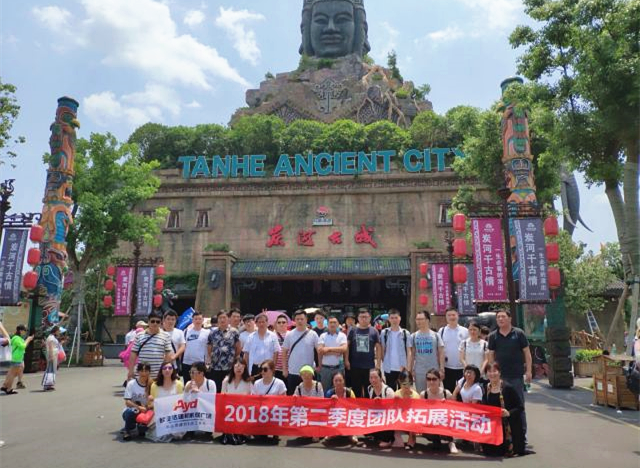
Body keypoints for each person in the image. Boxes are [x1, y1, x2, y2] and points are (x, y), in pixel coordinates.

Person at [487, 309, 532, 437]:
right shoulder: (493, 336)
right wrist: (491, 373)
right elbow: (490, 355)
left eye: (503, 317)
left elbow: (527, 353)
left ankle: (521, 434)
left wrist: (529, 371)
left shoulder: (519, 333)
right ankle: (502, 434)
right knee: (499, 405)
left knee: (518, 405)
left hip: (516, 376)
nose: (500, 319)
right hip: (499, 377)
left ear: (510, 318)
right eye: (498, 317)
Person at [482, 362, 526, 457]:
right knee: (488, 451)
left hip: (508, 426)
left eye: (495, 371)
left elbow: (520, 407)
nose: (492, 374)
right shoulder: (486, 388)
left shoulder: (508, 388)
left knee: (502, 451)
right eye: (489, 371)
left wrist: (508, 413)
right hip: (493, 425)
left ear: (500, 372)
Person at [420, 368, 458, 454]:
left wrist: (446, 405)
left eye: (434, 379)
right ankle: (436, 440)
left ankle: (451, 442)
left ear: (439, 380)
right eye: (429, 379)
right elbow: (421, 411)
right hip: (431, 422)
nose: (431, 382)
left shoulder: (446, 393)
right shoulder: (423, 394)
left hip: (444, 421)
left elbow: (454, 409)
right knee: (436, 446)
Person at [345, 308, 381, 397]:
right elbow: (347, 346)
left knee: (369, 390)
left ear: (370, 318)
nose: (364, 319)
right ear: (358, 318)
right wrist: (346, 360)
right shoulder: (352, 330)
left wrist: (378, 364)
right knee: (356, 390)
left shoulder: (374, 331)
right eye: (361, 317)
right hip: (355, 366)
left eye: (366, 317)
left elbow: (378, 347)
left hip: (369, 366)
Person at [146, 361, 185, 442]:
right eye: (165, 368)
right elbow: (152, 405)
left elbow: (182, 402)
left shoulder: (179, 384)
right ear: (161, 370)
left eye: (170, 368)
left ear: (173, 370)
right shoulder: (155, 385)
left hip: (174, 414)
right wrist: (151, 400)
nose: (167, 370)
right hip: (160, 415)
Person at [282, 309, 319, 395]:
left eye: (302, 319)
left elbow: (319, 351)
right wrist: (284, 369)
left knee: (308, 397)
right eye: (297, 319)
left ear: (306, 320)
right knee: (293, 396)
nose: (299, 321)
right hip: (293, 371)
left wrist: (319, 365)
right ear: (294, 321)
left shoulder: (313, 334)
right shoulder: (289, 334)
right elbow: (284, 352)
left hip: (308, 372)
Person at [128, 312, 172, 379]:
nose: (155, 323)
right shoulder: (139, 335)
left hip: (158, 374)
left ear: (161, 323)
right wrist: (131, 370)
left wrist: (165, 371)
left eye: (157, 322)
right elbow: (133, 354)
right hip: (141, 373)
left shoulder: (166, 336)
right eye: (152, 321)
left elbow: (168, 355)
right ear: (148, 322)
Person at [220, 358, 253, 445]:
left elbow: (251, 398)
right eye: (237, 366)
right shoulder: (226, 380)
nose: (239, 369)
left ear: (245, 368)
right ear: (233, 367)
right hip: (229, 410)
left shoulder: (248, 382)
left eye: (241, 367)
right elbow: (222, 396)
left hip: (243, 411)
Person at [410, 310, 445, 393]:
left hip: (434, 370)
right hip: (419, 371)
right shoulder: (413, 336)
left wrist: (441, 369)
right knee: (421, 393)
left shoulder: (436, 335)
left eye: (421, 319)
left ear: (427, 320)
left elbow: (441, 352)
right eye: (417, 319)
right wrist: (410, 370)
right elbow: (412, 354)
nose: (418, 321)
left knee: (434, 393)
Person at [208, 309, 241, 392]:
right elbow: (209, 348)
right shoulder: (213, 333)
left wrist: (232, 358)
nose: (222, 320)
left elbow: (238, 348)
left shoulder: (234, 332)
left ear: (228, 318)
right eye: (220, 318)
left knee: (228, 390)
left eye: (224, 317)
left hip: (229, 366)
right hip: (216, 366)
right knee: (217, 389)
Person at [380, 309, 413, 390]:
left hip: (402, 368)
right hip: (389, 368)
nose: (394, 320)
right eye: (392, 318)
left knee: (403, 391)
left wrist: (408, 368)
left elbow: (409, 351)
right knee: (391, 391)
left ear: (400, 318)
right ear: (389, 319)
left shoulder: (405, 333)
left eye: (396, 318)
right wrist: (384, 362)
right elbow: (382, 350)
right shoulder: (384, 333)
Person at [439, 308, 469, 392]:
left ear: (457, 316)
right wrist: (441, 368)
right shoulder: (441, 331)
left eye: (453, 315)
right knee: (448, 392)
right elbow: (440, 350)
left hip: (462, 368)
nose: (451, 317)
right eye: (449, 315)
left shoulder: (465, 331)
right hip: (447, 367)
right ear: (446, 317)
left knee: (463, 392)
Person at [323, 372, 357, 445]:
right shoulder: (329, 393)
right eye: (336, 381)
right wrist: (331, 402)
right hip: (334, 416)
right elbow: (325, 409)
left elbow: (355, 407)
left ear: (344, 381)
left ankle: (352, 434)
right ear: (333, 382)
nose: (338, 383)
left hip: (346, 416)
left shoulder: (349, 392)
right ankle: (331, 433)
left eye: (340, 380)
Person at [243, 313, 280, 378]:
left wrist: (273, 368)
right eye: (259, 322)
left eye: (263, 322)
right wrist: (246, 370)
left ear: (267, 323)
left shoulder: (273, 336)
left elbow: (276, 353)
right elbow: (246, 354)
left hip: (268, 367)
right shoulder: (251, 337)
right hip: (254, 367)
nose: (261, 324)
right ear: (256, 324)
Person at [121, 362, 152, 441]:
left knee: (142, 431)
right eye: (141, 371)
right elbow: (127, 402)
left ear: (149, 372)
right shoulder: (131, 383)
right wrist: (139, 407)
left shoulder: (152, 384)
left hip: (147, 411)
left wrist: (148, 407)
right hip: (134, 410)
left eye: (146, 371)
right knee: (132, 411)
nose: (144, 373)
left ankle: (140, 427)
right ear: (138, 371)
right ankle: (127, 430)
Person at [367, 368, 395, 448]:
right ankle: (376, 435)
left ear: (380, 378)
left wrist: (382, 404)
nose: (373, 380)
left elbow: (393, 410)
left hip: (387, 417)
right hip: (376, 416)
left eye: (376, 377)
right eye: (371, 378)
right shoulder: (369, 389)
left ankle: (388, 440)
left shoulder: (388, 391)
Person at [317, 316, 347, 391]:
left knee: (339, 390)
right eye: (330, 322)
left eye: (334, 322)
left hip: (338, 368)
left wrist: (328, 349)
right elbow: (320, 350)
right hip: (325, 368)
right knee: (325, 390)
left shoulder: (342, 335)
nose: (332, 324)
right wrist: (337, 351)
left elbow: (344, 349)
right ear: (327, 324)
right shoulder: (323, 336)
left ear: (338, 324)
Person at [1, 325, 33, 394]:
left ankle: (5, 386)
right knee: (13, 374)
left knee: (11, 373)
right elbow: (23, 346)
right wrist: (28, 340)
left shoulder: (16, 338)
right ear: (21, 331)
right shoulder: (17, 338)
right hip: (16, 358)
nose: (25, 332)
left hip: (16, 358)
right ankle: (9, 388)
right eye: (25, 331)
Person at [181, 311, 211, 383]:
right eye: (196, 319)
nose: (198, 321)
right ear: (192, 320)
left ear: (203, 320)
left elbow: (209, 347)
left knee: (200, 383)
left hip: (201, 363)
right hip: (187, 362)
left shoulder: (207, 332)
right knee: (187, 383)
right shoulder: (186, 331)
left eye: (200, 319)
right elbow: (182, 346)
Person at [393, 371, 419, 449]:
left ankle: (411, 438)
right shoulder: (396, 394)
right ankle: (397, 437)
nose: (407, 386)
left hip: (411, 419)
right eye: (404, 384)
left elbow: (417, 412)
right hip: (400, 418)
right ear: (400, 382)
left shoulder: (416, 396)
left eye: (409, 383)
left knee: (412, 416)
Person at [42, 326, 63, 391]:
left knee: (52, 370)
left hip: (54, 354)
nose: (59, 332)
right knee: (49, 369)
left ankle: (49, 384)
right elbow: (50, 347)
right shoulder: (51, 338)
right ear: (55, 331)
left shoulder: (52, 337)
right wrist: (51, 356)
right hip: (52, 355)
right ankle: (46, 385)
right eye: (58, 331)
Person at [274, 314, 289, 380]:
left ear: (287, 324)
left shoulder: (291, 334)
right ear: (276, 324)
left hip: (289, 368)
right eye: (279, 322)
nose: (281, 324)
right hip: (275, 368)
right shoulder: (272, 335)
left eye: (283, 322)